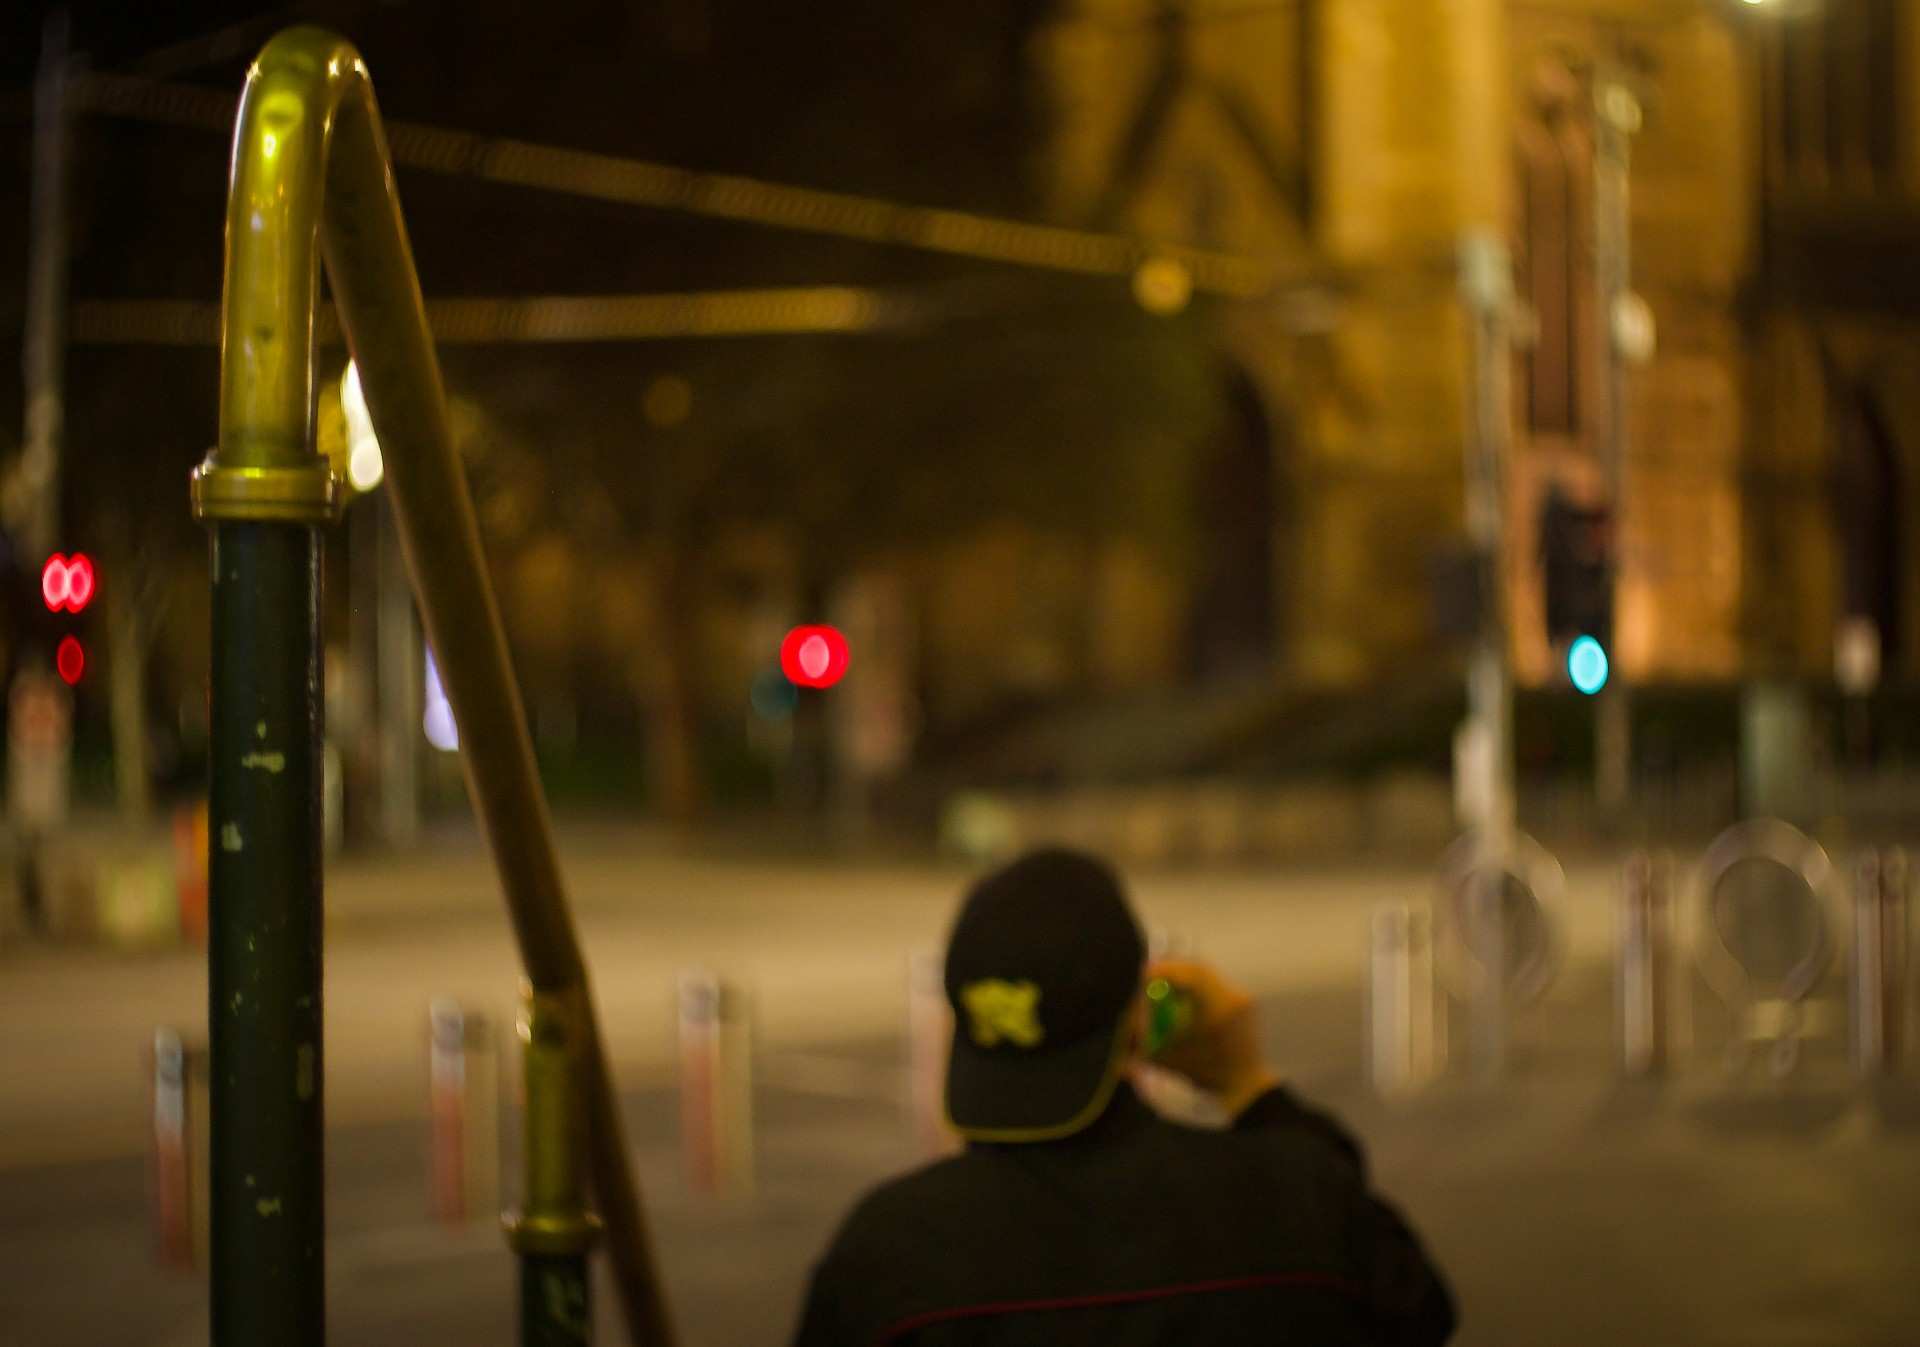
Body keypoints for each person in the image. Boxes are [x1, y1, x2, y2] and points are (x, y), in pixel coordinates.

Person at [791, 847, 1456, 1346]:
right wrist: (1250, 1086)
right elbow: (1419, 1311)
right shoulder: (1295, 1202)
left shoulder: (886, 1253)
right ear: (1137, 1016)